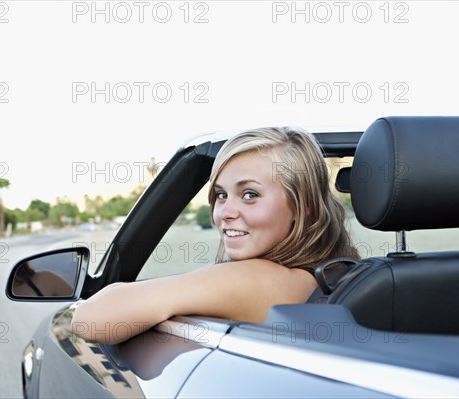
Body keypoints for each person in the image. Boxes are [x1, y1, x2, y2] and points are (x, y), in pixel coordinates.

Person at [70, 127, 359, 344]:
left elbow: (90, 320)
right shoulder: (341, 274)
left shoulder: (257, 279)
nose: (224, 213)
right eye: (221, 194)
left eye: (249, 194)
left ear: (303, 207)